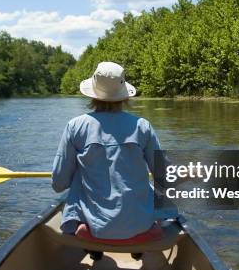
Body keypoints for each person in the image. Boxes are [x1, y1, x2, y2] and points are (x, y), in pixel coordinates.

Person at [52, 61, 163, 240]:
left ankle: (89, 236)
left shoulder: (75, 127)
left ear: (92, 94)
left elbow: (58, 184)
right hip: (139, 226)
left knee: (80, 176)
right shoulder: (143, 127)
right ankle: (142, 235)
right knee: (155, 189)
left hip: (93, 228)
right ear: (124, 95)